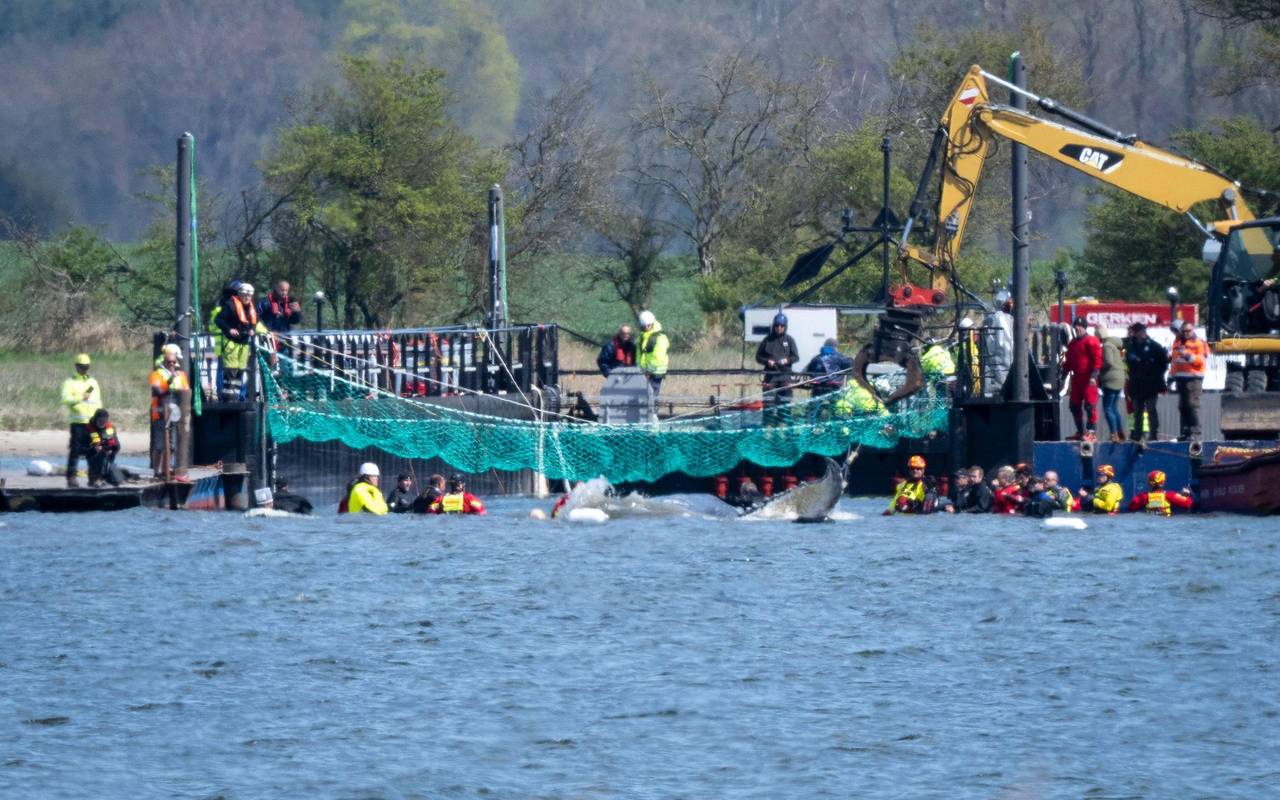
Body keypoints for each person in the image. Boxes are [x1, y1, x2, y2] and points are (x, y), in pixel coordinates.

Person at [214, 282, 271, 401]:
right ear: (239, 294)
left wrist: (259, 331)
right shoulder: (230, 305)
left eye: (249, 296)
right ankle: (228, 398)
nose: (247, 297)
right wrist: (229, 329)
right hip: (231, 343)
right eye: (244, 295)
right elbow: (218, 320)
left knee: (240, 371)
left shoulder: (251, 308)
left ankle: (236, 397)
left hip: (244, 344)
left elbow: (256, 324)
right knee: (230, 371)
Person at [149, 343, 191, 480]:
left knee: (172, 445)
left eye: (174, 361)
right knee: (160, 445)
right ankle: (157, 471)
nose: (172, 364)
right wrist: (171, 378)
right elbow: (158, 390)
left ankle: (169, 468)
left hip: (176, 414)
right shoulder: (156, 374)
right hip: (160, 413)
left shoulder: (181, 375)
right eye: (169, 362)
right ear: (164, 361)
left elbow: (186, 391)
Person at [60, 353, 102, 487]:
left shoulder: (93, 382)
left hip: (92, 424)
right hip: (78, 423)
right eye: (82, 367)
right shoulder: (70, 382)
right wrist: (80, 398)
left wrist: (100, 421)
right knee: (75, 451)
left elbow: (98, 402)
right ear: (76, 366)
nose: (84, 369)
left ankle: (94, 478)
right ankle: (71, 477)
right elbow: (65, 399)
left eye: (86, 367)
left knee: (94, 451)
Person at [1124, 322, 1169, 442]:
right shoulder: (1130, 346)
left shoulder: (1154, 346)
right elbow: (1129, 361)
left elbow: (1164, 362)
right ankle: (1137, 434)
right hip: (1136, 383)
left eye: (1142, 331)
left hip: (1150, 384)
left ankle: (1153, 433)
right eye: (1138, 331)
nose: (1141, 333)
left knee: (1151, 409)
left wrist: (1156, 375)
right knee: (1137, 411)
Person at [1061, 318, 1102, 441]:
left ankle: (1091, 432)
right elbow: (1069, 361)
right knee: (1074, 405)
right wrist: (1063, 374)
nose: (1077, 328)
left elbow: (1097, 358)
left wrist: (1094, 375)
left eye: (1080, 326)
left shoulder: (1091, 341)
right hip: (1077, 378)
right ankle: (1081, 431)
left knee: (1090, 405)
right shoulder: (1073, 343)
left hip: (1089, 378)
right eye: (1076, 326)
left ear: (1084, 327)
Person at [1169, 321, 1207, 441]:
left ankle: (1195, 433)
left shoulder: (1199, 342)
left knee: (1192, 405)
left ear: (1193, 330)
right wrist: (1171, 376)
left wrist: (1188, 356)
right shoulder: (1177, 341)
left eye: (1188, 331)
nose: (1186, 334)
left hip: (1194, 378)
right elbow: (1175, 361)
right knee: (1183, 406)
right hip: (1180, 378)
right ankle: (1185, 432)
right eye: (1183, 331)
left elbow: (1201, 360)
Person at [756, 313, 799, 408]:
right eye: (776, 325)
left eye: (782, 325)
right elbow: (758, 357)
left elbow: (796, 357)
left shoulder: (789, 340)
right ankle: (768, 422)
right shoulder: (767, 340)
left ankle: (783, 422)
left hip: (785, 376)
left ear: (785, 326)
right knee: (768, 404)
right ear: (774, 326)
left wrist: (787, 360)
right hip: (770, 377)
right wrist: (767, 361)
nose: (779, 328)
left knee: (785, 405)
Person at [1097, 324, 1128, 442]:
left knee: (1108, 409)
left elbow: (1108, 362)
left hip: (1110, 380)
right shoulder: (1115, 345)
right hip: (1120, 379)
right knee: (1114, 408)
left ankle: (1114, 434)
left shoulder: (1107, 346)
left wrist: (1099, 367)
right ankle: (1120, 433)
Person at [1127, 470, 1194, 516]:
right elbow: (1188, 503)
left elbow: (1132, 507)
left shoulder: (1143, 497)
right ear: (1162, 482)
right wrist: (1186, 494)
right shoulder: (1170, 495)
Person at [636, 310, 669, 398]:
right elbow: (639, 354)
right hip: (645, 372)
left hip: (655, 372)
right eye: (643, 326)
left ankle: (653, 411)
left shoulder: (659, 338)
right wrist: (639, 368)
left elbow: (658, 357)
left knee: (651, 396)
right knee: (643, 397)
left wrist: (649, 371)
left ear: (651, 324)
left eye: (647, 325)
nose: (645, 327)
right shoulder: (643, 337)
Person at [85, 408, 121, 488]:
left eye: (104, 421)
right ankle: (96, 479)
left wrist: (111, 450)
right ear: (95, 419)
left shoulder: (110, 428)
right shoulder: (87, 429)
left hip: (108, 459)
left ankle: (107, 476)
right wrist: (93, 449)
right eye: (100, 421)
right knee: (101, 456)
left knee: (118, 481)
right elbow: (82, 449)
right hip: (94, 459)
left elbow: (117, 445)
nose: (102, 423)